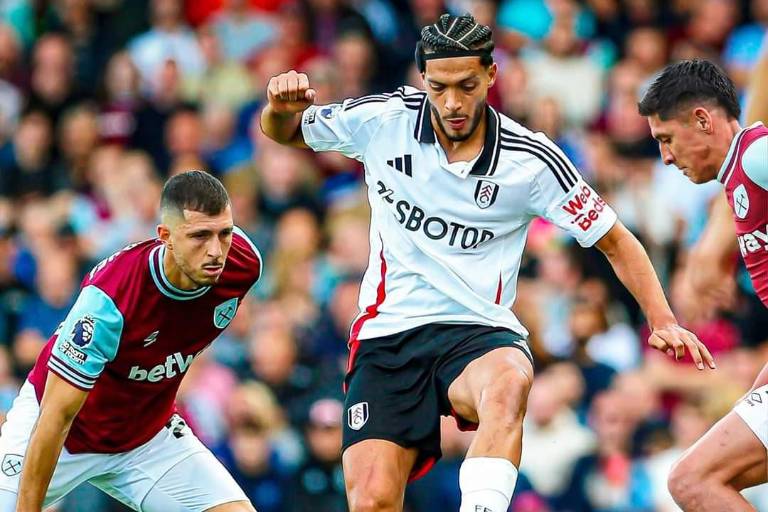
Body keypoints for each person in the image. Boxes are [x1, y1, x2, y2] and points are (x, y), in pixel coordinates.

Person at [261, 13, 714, 512]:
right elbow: (288, 132)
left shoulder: (532, 160)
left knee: (508, 382)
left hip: (476, 329)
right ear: (422, 81)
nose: (453, 103)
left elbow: (616, 241)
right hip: (388, 333)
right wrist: (281, 108)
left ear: (492, 76)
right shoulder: (382, 121)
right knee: (371, 502)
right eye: (439, 87)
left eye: (466, 85)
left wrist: (662, 318)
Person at [0, 170, 263, 511]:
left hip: (147, 437)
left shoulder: (243, 265)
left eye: (224, 233)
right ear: (165, 236)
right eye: (199, 236)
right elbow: (56, 416)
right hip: (66, 433)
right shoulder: (111, 299)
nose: (216, 251)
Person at [638, 56, 768, 511]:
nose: (666, 157)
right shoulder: (738, 177)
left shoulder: (756, 156)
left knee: (693, 481)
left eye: (667, 139)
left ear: (702, 119)